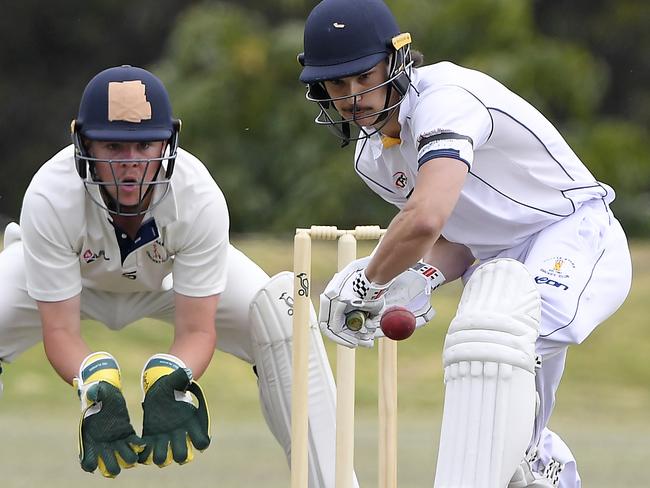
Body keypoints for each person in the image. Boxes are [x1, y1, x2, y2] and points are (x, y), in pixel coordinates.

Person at [298, 1, 632, 487]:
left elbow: (425, 219)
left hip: (574, 232)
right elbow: (461, 239)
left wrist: (369, 281)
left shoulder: (446, 97)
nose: (354, 96)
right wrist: (418, 277)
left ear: (395, 61)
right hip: (497, 264)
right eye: (338, 84)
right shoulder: (374, 159)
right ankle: (538, 462)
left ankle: (537, 458)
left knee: (492, 345)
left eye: (364, 76)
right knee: (493, 369)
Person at [0, 64, 352, 487]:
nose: (129, 166)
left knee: (284, 316)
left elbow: (197, 331)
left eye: (145, 145)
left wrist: (172, 374)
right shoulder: (49, 195)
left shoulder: (198, 195)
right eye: (112, 147)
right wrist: (92, 382)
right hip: (70, 276)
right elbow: (59, 331)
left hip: (167, 281)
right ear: (82, 142)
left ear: (169, 141)